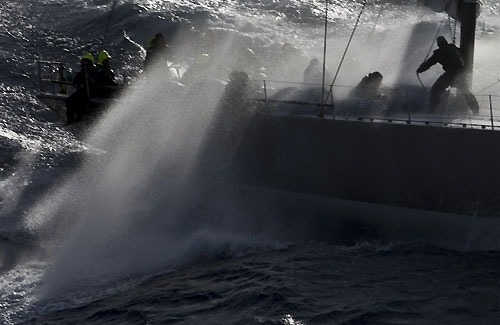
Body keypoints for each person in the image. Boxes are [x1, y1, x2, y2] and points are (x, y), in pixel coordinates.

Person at [416, 36, 479, 114]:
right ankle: (476, 111)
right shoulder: (453, 47)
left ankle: (432, 111)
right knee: (466, 92)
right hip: (461, 74)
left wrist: (420, 70)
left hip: (450, 74)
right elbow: (463, 52)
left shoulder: (439, 52)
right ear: (445, 41)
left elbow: (430, 62)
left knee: (436, 90)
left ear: (438, 44)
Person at [66, 53, 96, 124]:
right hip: (82, 92)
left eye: (87, 62)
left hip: (92, 92)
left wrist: (88, 80)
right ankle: (70, 119)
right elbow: (75, 81)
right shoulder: (82, 73)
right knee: (70, 100)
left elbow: (95, 81)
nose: (85, 64)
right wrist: (79, 84)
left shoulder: (94, 72)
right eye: (84, 62)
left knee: (82, 103)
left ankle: (79, 117)